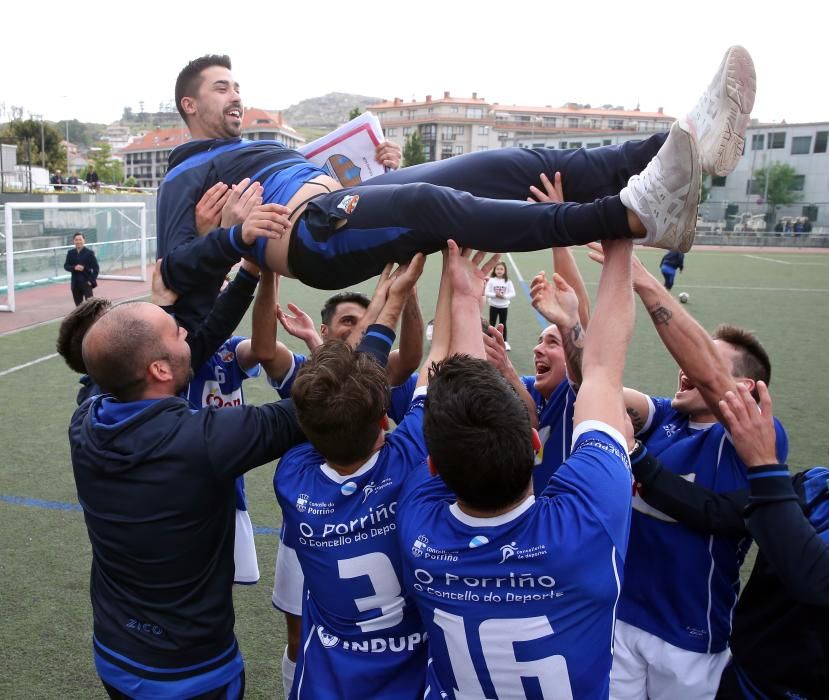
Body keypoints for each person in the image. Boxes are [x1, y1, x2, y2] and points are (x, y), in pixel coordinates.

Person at [158, 47, 755, 329]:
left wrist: (372, 171)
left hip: (339, 206)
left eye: (236, 84)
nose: (236, 95)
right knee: (430, 205)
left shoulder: (257, 150)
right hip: (313, 238)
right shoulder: (183, 173)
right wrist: (231, 236)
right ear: (189, 105)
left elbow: (332, 185)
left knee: (506, 161)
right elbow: (176, 272)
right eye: (220, 88)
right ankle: (628, 215)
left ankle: (676, 146)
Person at [397, 236, 636, 699]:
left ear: (433, 467)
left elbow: (601, 372)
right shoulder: (585, 523)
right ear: (533, 443)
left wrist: (464, 302)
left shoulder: (417, 525)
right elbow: (603, 370)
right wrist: (621, 239)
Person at [580, 246, 788, 700]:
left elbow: (714, 513)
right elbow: (602, 382)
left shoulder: (757, 435)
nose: (683, 369)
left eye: (699, 364)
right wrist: (570, 324)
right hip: (624, 620)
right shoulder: (663, 416)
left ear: (745, 389)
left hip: (690, 639)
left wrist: (645, 282)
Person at [69, 300, 306, 699]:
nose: (188, 337)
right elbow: (329, 405)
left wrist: (244, 275)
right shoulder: (207, 440)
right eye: (177, 332)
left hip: (114, 655)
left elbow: (118, 357)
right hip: (194, 674)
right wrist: (368, 330)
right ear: (159, 369)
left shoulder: (85, 421)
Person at [273, 250, 457, 698]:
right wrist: (447, 277)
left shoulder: (292, 479)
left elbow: (352, 381)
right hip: (408, 679)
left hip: (328, 683)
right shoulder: (409, 457)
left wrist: (389, 303)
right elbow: (442, 354)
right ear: (382, 424)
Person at [484, 261, 516, 349]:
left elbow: (513, 293)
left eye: (501, 269)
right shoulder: (491, 281)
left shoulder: (508, 282)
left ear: (505, 271)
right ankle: (489, 340)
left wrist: (504, 296)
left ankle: (505, 341)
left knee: (503, 323)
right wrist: (495, 295)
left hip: (504, 306)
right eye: (497, 269)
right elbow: (486, 292)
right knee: (492, 323)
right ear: (494, 270)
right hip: (494, 305)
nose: (499, 271)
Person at [63, 232, 99, 306]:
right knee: (79, 307)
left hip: (86, 282)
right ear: (74, 241)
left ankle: (91, 318)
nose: (78, 241)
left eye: (80, 239)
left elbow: (96, 268)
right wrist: (74, 267)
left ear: (84, 240)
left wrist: (91, 281)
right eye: (76, 240)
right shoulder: (70, 253)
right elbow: (66, 266)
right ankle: (81, 318)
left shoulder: (89, 253)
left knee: (90, 306)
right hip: (75, 283)